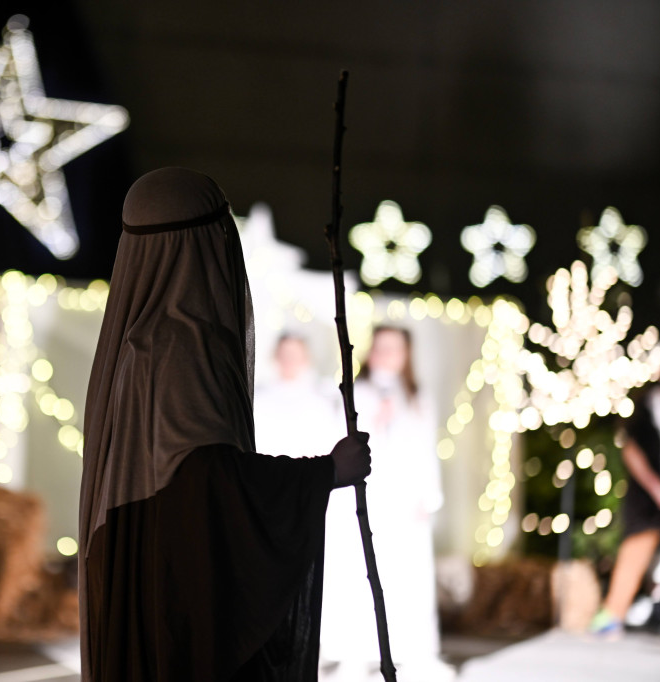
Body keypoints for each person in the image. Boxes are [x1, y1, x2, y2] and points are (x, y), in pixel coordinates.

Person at [80, 167, 372, 682]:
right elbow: (205, 480)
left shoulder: (140, 341)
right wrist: (324, 473)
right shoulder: (186, 343)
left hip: (140, 571)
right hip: (179, 595)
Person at [321, 325, 450, 682]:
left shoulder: (416, 396)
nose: (387, 354)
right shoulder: (356, 392)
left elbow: (426, 449)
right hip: (368, 495)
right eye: (382, 347)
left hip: (406, 501)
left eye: (395, 348)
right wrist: (376, 424)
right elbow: (340, 442)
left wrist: (429, 495)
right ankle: (353, 654)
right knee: (357, 574)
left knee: (407, 577)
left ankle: (413, 651)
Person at [590, 361, 660, 647]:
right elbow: (631, 450)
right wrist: (657, 489)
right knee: (634, 550)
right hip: (648, 496)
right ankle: (612, 616)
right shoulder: (645, 407)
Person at [254, 334, 344, 458]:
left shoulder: (322, 400)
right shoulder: (258, 399)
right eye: (285, 354)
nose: (289, 360)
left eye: (294, 354)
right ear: (275, 356)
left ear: (305, 358)